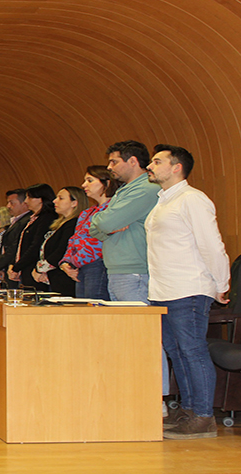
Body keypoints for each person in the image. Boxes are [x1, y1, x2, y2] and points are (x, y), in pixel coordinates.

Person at [145, 144, 229, 439]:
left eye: (157, 161)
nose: (150, 166)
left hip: (188, 287)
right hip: (163, 289)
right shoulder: (162, 202)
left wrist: (221, 283)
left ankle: (205, 417)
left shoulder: (193, 199)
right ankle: (190, 411)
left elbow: (211, 243)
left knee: (192, 351)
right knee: (176, 351)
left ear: (176, 167)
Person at [89, 140, 167, 402]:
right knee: (127, 339)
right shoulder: (125, 190)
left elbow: (106, 221)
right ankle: (137, 398)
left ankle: (154, 402)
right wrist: (105, 224)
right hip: (120, 271)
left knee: (142, 340)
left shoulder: (145, 188)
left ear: (133, 161)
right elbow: (94, 226)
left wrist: (106, 223)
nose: (110, 167)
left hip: (135, 272)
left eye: (114, 162)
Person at [59, 166, 121, 299]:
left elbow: (99, 242)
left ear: (107, 183)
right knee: (83, 309)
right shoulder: (87, 212)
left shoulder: (114, 209)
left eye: (90, 180)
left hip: (98, 265)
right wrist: (65, 262)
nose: (84, 185)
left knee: (94, 309)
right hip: (80, 266)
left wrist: (75, 260)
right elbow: (74, 240)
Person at [32, 187, 89, 296]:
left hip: (66, 279)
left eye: (61, 198)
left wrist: (39, 269)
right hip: (55, 278)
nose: (54, 201)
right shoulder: (61, 224)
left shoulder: (74, 224)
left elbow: (61, 251)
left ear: (74, 203)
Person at [8, 184, 56, 290]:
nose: (26, 201)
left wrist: (17, 267)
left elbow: (36, 246)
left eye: (29, 197)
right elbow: (21, 245)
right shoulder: (34, 219)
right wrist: (14, 264)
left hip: (36, 271)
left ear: (40, 199)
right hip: (26, 269)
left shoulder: (47, 218)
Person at [0, 189, 31, 288]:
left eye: (11, 203)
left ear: (24, 203)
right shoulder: (16, 221)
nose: (8, 206)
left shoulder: (27, 221)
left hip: (16, 269)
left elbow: (14, 247)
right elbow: (3, 246)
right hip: (6, 269)